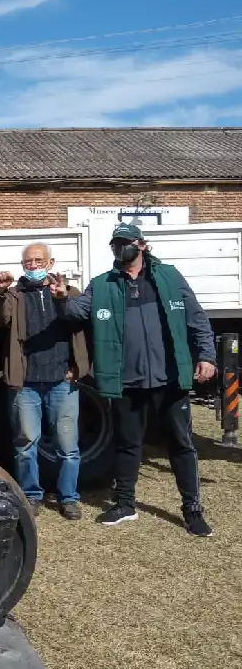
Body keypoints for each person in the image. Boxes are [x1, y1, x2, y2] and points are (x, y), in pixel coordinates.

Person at [57, 223, 216, 536]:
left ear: (142, 245)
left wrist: (207, 355)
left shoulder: (168, 277)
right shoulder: (102, 284)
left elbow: (196, 318)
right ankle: (125, 504)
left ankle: (192, 509)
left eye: (126, 242)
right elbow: (77, 312)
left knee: (181, 445)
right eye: (115, 244)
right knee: (128, 444)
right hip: (127, 381)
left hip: (169, 379)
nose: (121, 248)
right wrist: (62, 298)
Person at [0, 242, 90, 520]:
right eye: (28, 262)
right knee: (25, 444)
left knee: (68, 445)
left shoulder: (69, 292)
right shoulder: (15, 295)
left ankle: (68, 498)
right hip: (26, 382)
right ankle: (31, 496)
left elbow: (81, 319)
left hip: (61, 381)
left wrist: (62, 298)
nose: (33, 265)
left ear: (50, 263)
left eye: (38, 260)